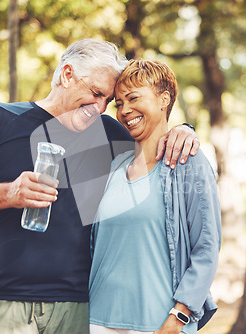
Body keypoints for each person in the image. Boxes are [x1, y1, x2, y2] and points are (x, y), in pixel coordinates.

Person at [0, 39, 200, 334]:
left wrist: (184, 131)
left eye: (107, 101)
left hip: (77, 307)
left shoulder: (111, 134)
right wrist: (9, 192)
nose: (99, 107)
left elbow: (154, 139)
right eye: (96, 93)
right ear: (67, 75)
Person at [89, 59, 221, 334]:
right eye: (119, 103)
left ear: (164, 99)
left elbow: (206, 248)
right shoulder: (114, 167)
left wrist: (178, 318)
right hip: (98, 321)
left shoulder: (189, 164)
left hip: (158, 325)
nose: (125, 111)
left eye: (133, 98)